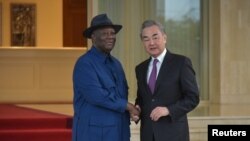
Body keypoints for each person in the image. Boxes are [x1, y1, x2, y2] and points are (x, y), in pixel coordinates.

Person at [72, 13, 139, 141]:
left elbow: (121, 96)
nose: (110, 37)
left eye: (112, 33)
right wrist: (128, 106)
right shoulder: (84, 63)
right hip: (93, 135)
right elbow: (96, 96)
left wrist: (132, 111)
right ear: (93, 37)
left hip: (120, 132)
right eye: (104, 33)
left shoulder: (117, 64)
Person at [134, 20, 200, 141]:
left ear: (164, 38)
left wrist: (168, 110)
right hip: (148, 134)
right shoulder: (140, 68)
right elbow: (142, 98)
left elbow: (193, 97)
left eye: (155, 37)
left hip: (173, 134)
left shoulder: (181, 63)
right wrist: (137, 109)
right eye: (146, 39)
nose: (151, 43)